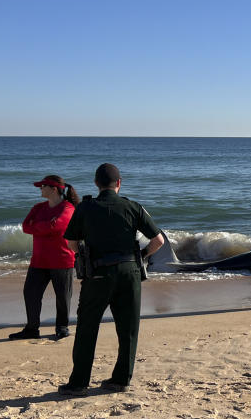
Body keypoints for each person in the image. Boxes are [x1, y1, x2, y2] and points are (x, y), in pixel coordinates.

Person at [57, 163, 164, 397]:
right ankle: (121, 379)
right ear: (119, 183)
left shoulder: (85, 208)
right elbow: (158, 241)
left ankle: (78, 383)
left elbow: (71, 242)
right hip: (130, 272)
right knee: (128, 328)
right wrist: (142, 257)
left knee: (87, 326)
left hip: (97, 273)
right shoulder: (133, 207)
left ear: (96, 184)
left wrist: (82, 254)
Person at [9, 175, 80, 340]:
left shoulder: (68, 208)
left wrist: (38, 227)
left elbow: (56, 225)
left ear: (54, 189)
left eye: (43, 186)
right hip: (39, 261)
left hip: (62, 260)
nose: (40, 189)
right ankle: (32, 328)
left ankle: (62, 327)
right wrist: (45, 226)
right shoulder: (38, 207)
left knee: (63, 296)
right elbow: (26, 227)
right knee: (30, 294)